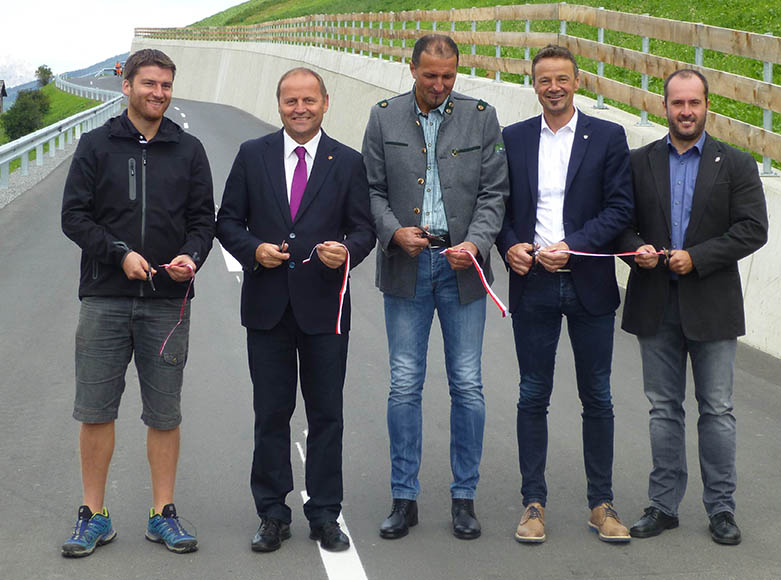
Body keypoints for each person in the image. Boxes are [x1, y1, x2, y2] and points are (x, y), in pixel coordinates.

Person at [60, 48, 215, 557]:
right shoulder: (96, 145)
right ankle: (93, 515)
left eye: (166, 85)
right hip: (104, 297)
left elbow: (203, 222)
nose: (158, 94)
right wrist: (119, 254)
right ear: (126, 86)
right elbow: (75, 217)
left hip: (168, 301)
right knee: (96, 410)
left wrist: (191, 258)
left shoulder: (189, 150)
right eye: (149, 84)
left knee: (164, 414)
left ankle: (162, 513)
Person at [216, 67, 374, 554]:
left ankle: (325, 513)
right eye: (291, 101)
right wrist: (254, 250)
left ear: (326, 102)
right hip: (267, 308)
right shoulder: (252, 155)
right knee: (271, 413)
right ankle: (272, 513)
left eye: (309, 100)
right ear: (279, 104)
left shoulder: (346, 162)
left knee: (327, 415)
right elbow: (227, 221)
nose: (300, 109)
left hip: (325, 307)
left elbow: (364, 229)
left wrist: (345, 251)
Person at [362, 34, 508, 541]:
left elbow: (495, 192)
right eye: (430, 76)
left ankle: (463, 498)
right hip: (406, 266)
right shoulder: (383, 117)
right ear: (412, 70)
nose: (440, 86)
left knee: (467, 384)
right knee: (404, 384)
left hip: (462, 267)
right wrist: (391, 232)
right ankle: (404, 498)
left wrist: (477, 243)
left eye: (448, 77)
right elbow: (372, 191)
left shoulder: (482, 116)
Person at [618, 69, 768, 546]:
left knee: (717, 410)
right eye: (677, 103)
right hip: (654, 301)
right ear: (664, 106)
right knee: (663, 410)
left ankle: (721, 509)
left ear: (708, 106)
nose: (686, 111)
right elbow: (618, 226)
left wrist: (697, 258)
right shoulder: (638, 162)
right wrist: (636, 250)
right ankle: (663, 506)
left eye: (694, 103)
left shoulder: (737, 165)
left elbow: (752, 229)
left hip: (713, 304)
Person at [495, 44, 634, 544]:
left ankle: (602, 504)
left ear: (578, 82)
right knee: (533, 394)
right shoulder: (511, 138)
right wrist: (510, 245)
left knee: (596, 395)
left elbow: (620, 210)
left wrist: (572, 247)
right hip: (532, 282)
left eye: (562, 79)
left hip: (588, 282)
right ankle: (534, 504)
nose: (553, 87)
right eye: (544, 80)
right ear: (533, 85)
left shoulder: (608, 137)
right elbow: (500, 207)